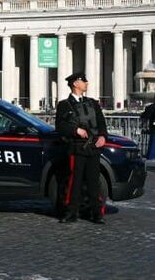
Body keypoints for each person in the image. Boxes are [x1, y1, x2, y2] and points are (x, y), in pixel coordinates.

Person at [56, 72, 108, 224]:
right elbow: (60, 126)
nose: (86, 83)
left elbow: (101, 123)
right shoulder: (64, 105)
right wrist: (75, 131)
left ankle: (97, 213)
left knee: (94, 182)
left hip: (93, 147)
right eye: (83, 81)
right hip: (77, 147)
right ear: (75, 84)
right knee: (75, 182)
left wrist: (103, 137)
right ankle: (71, 213)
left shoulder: (93, 103)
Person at [141, 96, 155, 161]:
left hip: (153, 129)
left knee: (152, 145)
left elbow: (143, 116)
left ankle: (150, 158)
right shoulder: (151, 107)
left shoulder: (151, 107)